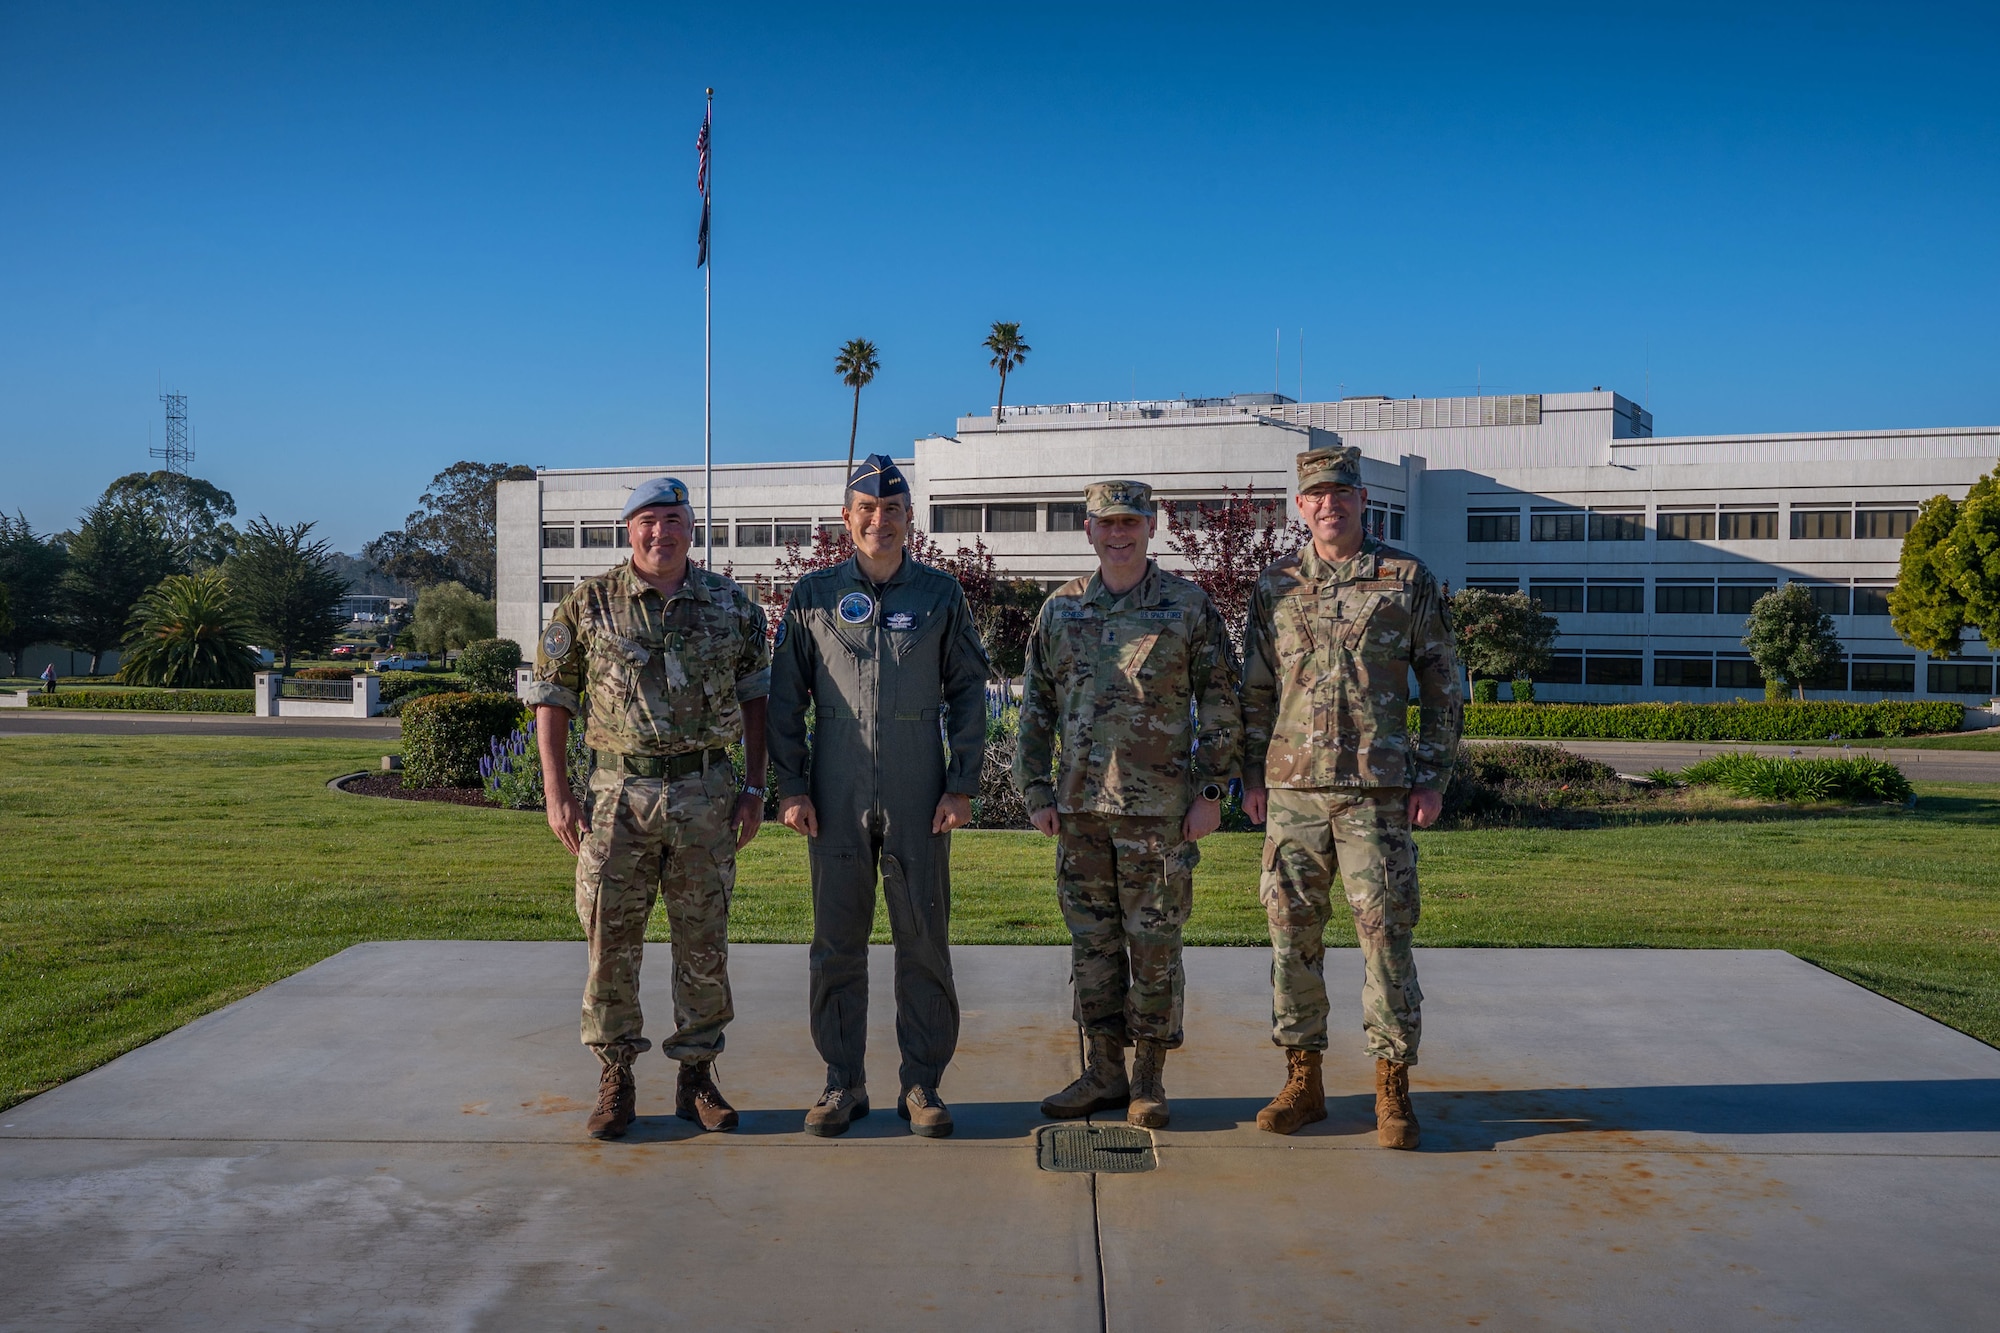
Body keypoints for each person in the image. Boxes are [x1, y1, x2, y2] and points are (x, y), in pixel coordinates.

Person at [523, 476, 771, 1141]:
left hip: (708, 799)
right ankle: (616, 1077)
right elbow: (553, 700)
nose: (661, 532)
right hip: (617, 803)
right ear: (628, 530)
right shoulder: (589, 605)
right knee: (610, 943)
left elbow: (757, 699)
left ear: (692, 526)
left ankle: (698, 1077)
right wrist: (556, 792)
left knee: (704, 944)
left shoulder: (730, 605)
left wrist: (754, 787)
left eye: (673, 519)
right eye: (647, 521)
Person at [1239, 444, 1464, 1149]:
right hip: (1293, 793)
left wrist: (1432, 775)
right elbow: (1254, 689)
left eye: (1342, 493)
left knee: (1386, 939)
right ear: (1298, 506)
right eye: (1316, 495)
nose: (1329, 504)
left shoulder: (1405, 579)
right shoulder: (1274, 585)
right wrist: (1250, 775)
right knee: (1290, 939)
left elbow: (1443, 682)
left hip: (1376, 794)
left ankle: (1392, 1091)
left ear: (1363, 501)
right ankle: (1302, 1080)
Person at [768, 454, 990, 1139]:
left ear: (909, 519)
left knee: (922, 937)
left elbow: (967, 691)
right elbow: (784, 699)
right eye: (867, 509)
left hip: (917, 784)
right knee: (837, 939)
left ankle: (921, 1082)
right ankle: (843, 1081)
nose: (880, 520)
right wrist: (793, 786)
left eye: (893, 509)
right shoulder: (812, 597)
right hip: (835, 789)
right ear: (847, 518)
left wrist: (962, 783)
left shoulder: (940, 595)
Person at [1014, 480, 1242, 1130]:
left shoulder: (1186, 607)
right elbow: (1035, 708)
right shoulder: (1059, 610)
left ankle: (1148, 1079)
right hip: (1080, 811)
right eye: (1105, 524)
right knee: (1093, 947)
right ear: (1088, 530)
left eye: (1130, 523)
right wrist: (1034, 791)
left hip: (1160, 813)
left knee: (1156, 947)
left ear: (1152, 525)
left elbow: (1222, 700)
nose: (1118, 535)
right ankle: (1103, 1069)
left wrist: (1210, 788)